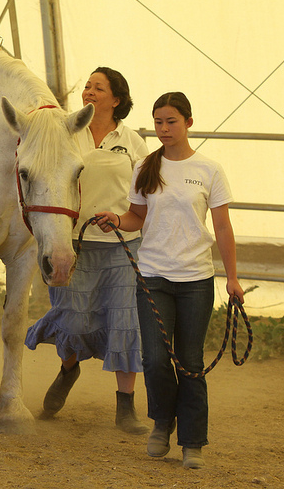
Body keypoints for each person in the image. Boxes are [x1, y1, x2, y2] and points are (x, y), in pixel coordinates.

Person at [95, 91, 244, 468]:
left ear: (188, 123)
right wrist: (116, 219)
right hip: (153, 276)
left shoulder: (209, 170)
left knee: (190, 361)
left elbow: (223, 227)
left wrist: (233, 279)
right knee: (156, 359)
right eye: (158, 122)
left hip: (196, 279)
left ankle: (192, 442)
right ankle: (162, 423)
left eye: (171, 121)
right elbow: (136, 218)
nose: (164, 129)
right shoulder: (146, 166)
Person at [24, 67, 150, 434]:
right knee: (72, 319)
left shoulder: (133, 141)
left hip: (121, 246)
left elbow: (144, 195)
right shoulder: (64, 132)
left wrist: (126, 220)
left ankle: (125, 408)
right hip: (72, 244)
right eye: (88, 86)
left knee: (125, 323)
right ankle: (68, 368)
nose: (89, 92)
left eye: (99, 87)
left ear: (117, 98)